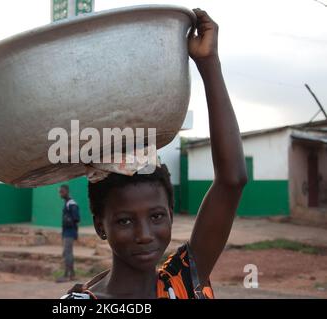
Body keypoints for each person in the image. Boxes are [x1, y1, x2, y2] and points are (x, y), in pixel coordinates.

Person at [61, 9, 247, 299]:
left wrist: (208, 63)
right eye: (124, 220)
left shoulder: (181, 283)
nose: (145, 234)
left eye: (157, 216)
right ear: (100, 226)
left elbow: (232, 180)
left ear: (171, 216)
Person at [56, 184, 81, 282]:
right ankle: (71, 274)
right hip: (67, 232)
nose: (60, 194)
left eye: (62, 191)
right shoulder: (67, 203)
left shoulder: (71, 203)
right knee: (66, 253)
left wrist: (68, 220)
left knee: (68, 253)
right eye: (59, 192)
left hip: (70, 232)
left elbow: (77, 218)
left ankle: (68, 275)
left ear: (66, 191)